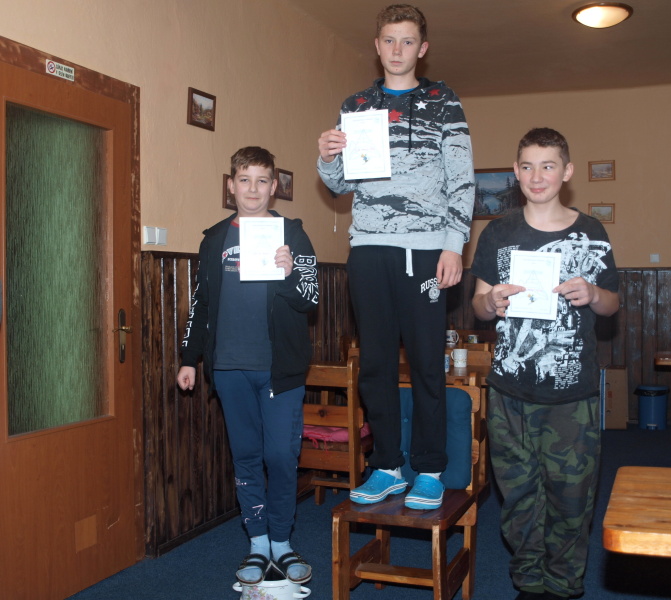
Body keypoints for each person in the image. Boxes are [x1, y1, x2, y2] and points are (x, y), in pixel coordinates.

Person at [316, 4, 474, 510]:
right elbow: (340, 185)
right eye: (389, 40)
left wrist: (454, 244)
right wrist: (326, 157)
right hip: (368, 249)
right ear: (377, 46)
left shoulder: (444, 101)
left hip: (426, 251)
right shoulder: (357, 105)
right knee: (375, 364)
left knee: (427, 364)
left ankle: (429, 469)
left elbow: (462, 179)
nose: (398, 49)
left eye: (408, 41)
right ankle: (386, 466)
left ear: (422, 49)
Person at [470, 127, 619, 600]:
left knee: (572, 498)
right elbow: (478, 305)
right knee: (517, 496)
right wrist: (491, 301)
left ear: (566, 172)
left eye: (548, 166)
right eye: (528, 167)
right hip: (509, 391)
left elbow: (613, 303)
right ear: (516, 173)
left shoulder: (590, 231)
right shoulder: (498, 232)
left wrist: (592, 293)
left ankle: (564, 584)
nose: (538, 176)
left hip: (571, 396)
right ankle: (530, 582)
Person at [177, 146, 319, 586]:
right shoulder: (214, 239)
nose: (252, 189)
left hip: (280, 369)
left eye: (261, 181)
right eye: (244, 180)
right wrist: (189, 358)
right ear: (231, 185)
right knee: (246, 457)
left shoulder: (293, 234)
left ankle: (282, 541)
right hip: (229, 368)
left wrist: (291, 273)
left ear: (274, 187)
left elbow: (311, 298)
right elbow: (200, 305)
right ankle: (258, 543)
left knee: (280, 456)